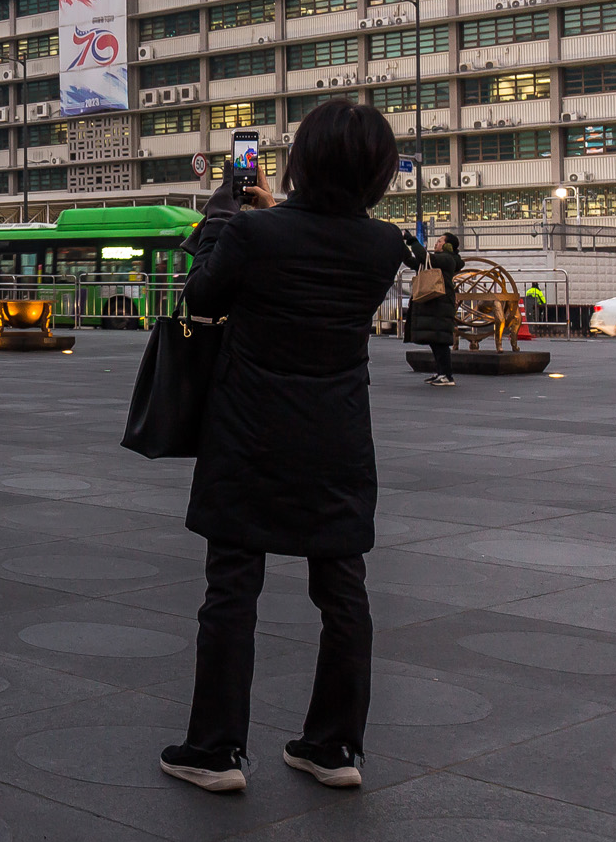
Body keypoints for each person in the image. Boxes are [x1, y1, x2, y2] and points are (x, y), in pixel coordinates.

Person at [158, 99, 407, 795]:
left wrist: (226, 220)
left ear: (302, 160)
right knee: (343, 591)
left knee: (233, 587)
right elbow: (323, 246)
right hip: (338, 438)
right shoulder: (385, 245)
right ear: (377, 173)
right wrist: (265, 220)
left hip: (249, 432)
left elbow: (201, 297)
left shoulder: (256, 233)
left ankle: (215, 750)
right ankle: (333, 746)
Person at [403, 233, 464, 386]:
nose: (436, 243)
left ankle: (447, 375)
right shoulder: (438, 260)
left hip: (440, 304)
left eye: (439, 241)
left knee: (440, 341)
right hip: (435, 304)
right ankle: (441, 372)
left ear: (448, 245)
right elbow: (415, 262)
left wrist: (412, 241)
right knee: (435, 340)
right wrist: (400, 249)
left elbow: (425, 258)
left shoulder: (447, 259)